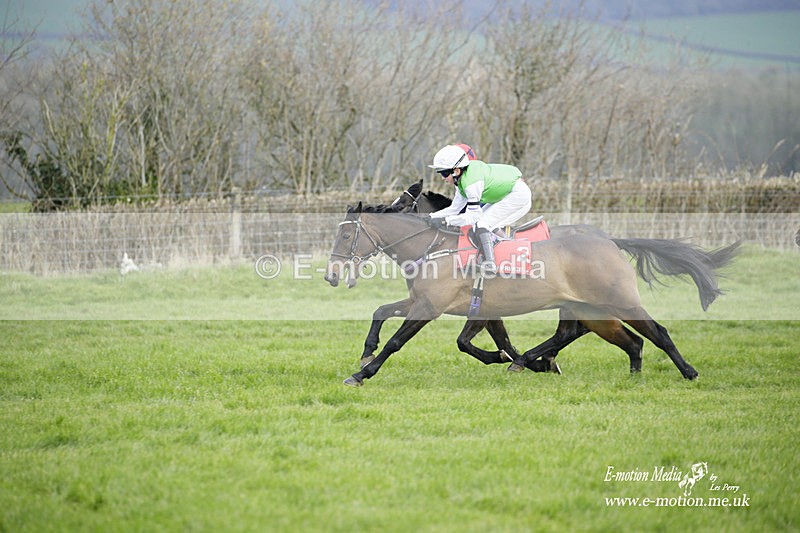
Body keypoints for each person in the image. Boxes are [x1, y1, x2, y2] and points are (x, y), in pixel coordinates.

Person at [427, 144, 532, 274]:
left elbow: (472, 216)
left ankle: (491, 264)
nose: (442, 178)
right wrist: (431, 217)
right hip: (507, 194)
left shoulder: (471, 183)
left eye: (444, 173)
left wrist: (446, 221)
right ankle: (504, 252)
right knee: (483, 224)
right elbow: (454, 209)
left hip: (517, 195)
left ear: (457, 171)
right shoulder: (462, 180)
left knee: (482, 224)